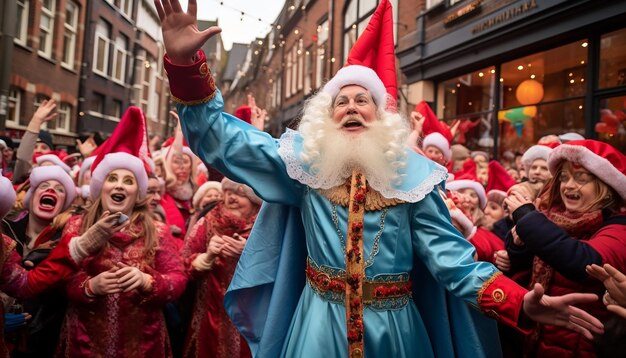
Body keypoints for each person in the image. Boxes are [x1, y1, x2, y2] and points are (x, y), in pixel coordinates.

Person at [155, 1, 603, 357]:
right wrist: (185, 64)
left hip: (396, 330)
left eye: (362, 100)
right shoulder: (304, 166)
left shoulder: (415, 179)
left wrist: (517, 301)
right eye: (341, 101)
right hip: (317, 324)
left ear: (380, 116)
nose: (351, 106)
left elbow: (453, 261)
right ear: (326, 118)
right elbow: (227, 142)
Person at [56, 106, 187, 357]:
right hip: (85, 343)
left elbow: (178, 279)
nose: (119, 185)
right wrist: (89, 286)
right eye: (112, 178)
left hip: (143, 344)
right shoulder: (76, 226)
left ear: (136, 192)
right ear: (101, 186)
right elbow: (61, 280)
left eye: (128, 181)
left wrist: (149, 282)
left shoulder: (157, 231)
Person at [504, 139, 626, 356]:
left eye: (581, 179)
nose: (569, 185)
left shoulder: (619, 226)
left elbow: (583, 262)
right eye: (564, 177)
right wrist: (518, 246)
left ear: (606, 188)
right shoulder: (552, 218)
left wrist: (527, 218)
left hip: (583, 347)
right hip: (537, 340)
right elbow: (528, 268)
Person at [182, 178, 261, 358]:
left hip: (253, 318)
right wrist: (207, 257)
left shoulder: (265, 227)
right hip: (211, 317)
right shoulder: (208, 222)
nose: (232, 198)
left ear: (255, 200)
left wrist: (251, 252)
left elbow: (281, 267)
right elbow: (183, 264)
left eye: (240, 194)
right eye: (228, 192)